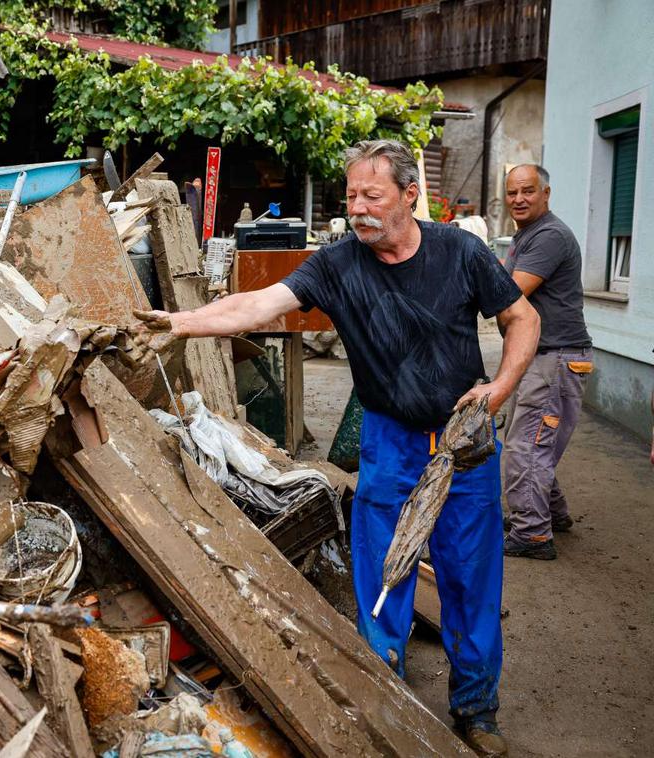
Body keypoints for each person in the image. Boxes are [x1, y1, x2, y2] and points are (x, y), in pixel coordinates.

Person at [129, 139, 540, 757]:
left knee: (469, 576)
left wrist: (499, 388)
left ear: (409, 196)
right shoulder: (339, 264)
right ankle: (385, 702)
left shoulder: (461, 252)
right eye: (351, 196)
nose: (358, 209)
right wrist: (177, 322)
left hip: (463, 444)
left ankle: (476, 709)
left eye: (372, 196)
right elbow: (256, 306)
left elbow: (523, 319)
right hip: (389, 441)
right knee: (381, 578)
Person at [499, 165, 593, 560]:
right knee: (536, 440)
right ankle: (549, 513)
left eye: (528, 191)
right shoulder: (527, 236)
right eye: (512, 192)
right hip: (544, 356)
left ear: (546, 193)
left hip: (555, 357)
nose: (519, 199)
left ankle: (532, 534)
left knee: (526, 446)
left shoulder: (549, 236)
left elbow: (507, 291)